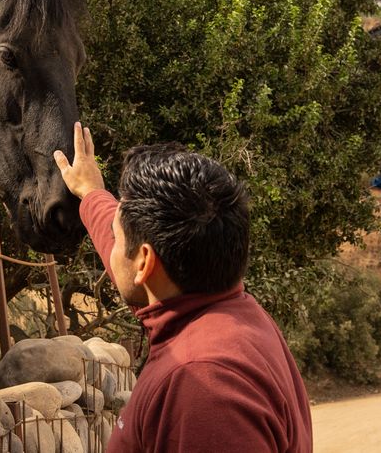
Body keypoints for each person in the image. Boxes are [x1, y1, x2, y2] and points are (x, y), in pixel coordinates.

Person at [53, 122, 312, 452]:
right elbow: (130, 264)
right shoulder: (225, 312)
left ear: (145, 264)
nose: (112, 242)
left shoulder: (204, 388)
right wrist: (91, 194)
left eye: (117, 237)